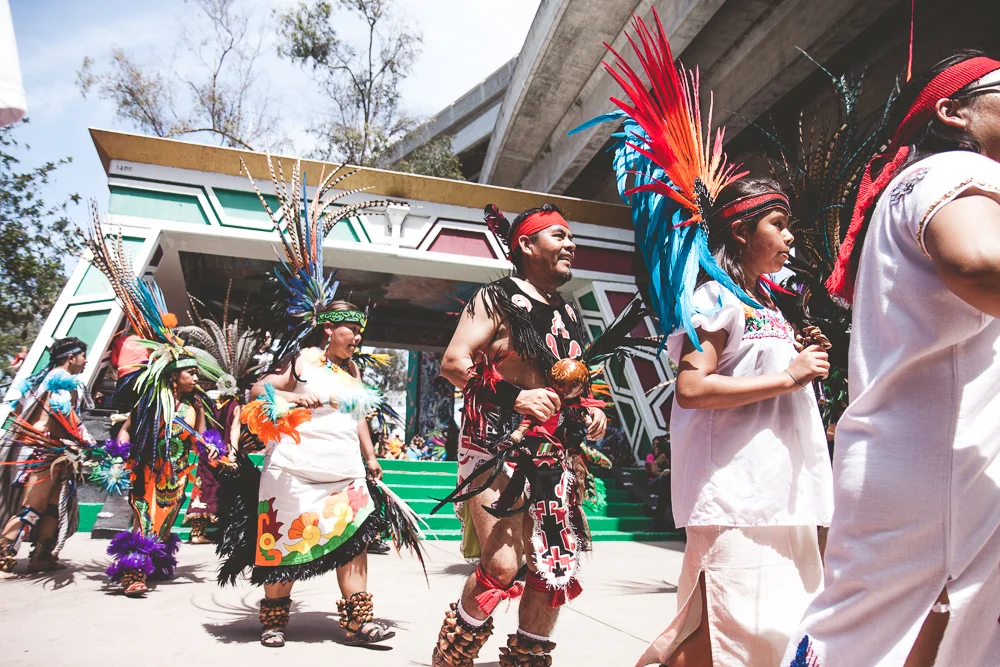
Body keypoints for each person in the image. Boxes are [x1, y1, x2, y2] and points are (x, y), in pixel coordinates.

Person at [583, 16, 834, 665]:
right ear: (743, 232)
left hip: (782, 492)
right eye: (777, 224)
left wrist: (800, 364)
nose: (789, 237)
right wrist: (789, 374)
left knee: (768, 634)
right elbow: (692, 389)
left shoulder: (766, 303)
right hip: (737, 496)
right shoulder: (713, 300)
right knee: (723, 633)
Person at [785, 50, 1000, 667]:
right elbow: (979, 265)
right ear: (952, 112)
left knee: (873, 642)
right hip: (942, 467)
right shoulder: (955, 169)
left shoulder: (914, 183)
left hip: (918, 463)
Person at [216, 156, 425, 649]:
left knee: (354, 539)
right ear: (331, 330)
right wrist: (296, 395)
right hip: (293, 469)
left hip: (344, 470)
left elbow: (359, 418)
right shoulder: (301, 359)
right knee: (285, 542)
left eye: (361, 333)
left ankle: (358, 622)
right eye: (353, 331)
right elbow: (257, 392)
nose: (358, 339)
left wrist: (371, 457)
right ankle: (274, 620)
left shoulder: (353, 373)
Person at [432, 202, 607, 667]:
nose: (571, 244)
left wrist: (590, 410)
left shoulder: (567, 312)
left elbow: (574, 382)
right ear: (526, 245)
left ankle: (528, 659)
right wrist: (516, 398)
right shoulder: (495, 298)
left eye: (571, 237)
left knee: (552, 566)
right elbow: (453, 363)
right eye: (559, 236)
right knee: (502, 564)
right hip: (495, 449)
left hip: (554, 456)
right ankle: (450, 657)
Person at [0, 337, 92, 574]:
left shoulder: (41, 379)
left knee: (53, 506)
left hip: (46, 450)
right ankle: (3, 550)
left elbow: (18, 409)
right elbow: (62, 413)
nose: (86, 361)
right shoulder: (61, 379)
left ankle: (42, 556)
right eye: (83, 356)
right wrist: (88, 440)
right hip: (42, 452)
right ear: (71, 358)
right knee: (34, 506)